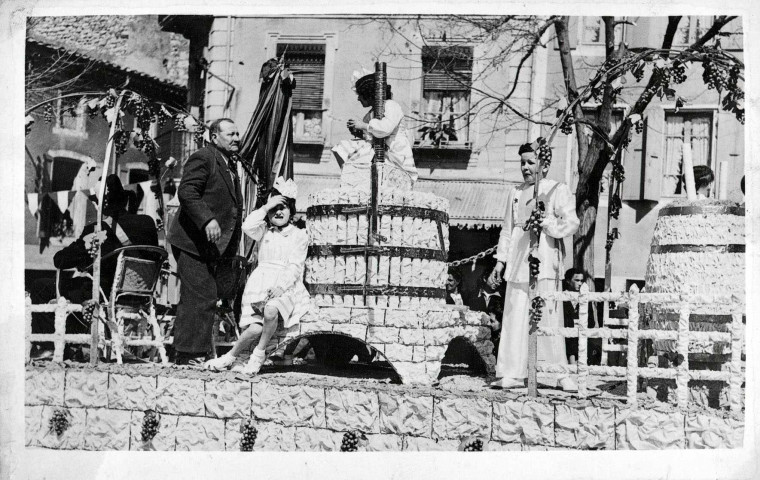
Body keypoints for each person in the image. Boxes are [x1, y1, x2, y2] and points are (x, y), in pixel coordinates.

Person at [488, 143, 580, 391]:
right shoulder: (515, 192)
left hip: (545, 262)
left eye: (531, 162)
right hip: (517, 263)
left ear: (544, 165)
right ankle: (512, 373)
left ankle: (560, 375)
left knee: (549, 316)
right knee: (514, 316)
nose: (525, 167)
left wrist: (547, 222)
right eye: (523, 162)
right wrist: (500, 262)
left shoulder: (557, 190)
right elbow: (508, 230)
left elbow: (571, 223)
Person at [204, 177, 310, 374]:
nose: (278, 212)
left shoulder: (298, 235)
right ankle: (228, 357)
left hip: (286, 285)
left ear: (291, 211)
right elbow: (246, 226)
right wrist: (265, 206)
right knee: (254, 328)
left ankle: (258, 355)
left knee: (271, 310)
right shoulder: (264, 231)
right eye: (273, 208)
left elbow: (296, 266)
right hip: (260, 282)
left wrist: (281, 286)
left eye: (283, 207)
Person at [166, 118, 244, 366]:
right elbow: (187, 191)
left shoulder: (229, 164)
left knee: (206, 295)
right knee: (200, 295)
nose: (236, 138)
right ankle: (188, 354)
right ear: (214, 137)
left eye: (237, 134)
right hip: (191, 241)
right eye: (230, 134)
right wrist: (207, 220)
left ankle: (190, 351)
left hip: (211, 247)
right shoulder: (204, 157)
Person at [336, 72, 418, 187]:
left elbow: (385, 128)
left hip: (395, 149)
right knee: (343, 147)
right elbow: (371, 135)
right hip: (378, 148)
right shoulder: (371, 114)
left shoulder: (391, 105)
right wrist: (358, 132)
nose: (358, 98)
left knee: (390, 182)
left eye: (360, 94)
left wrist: (364, 126)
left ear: (369, 94)